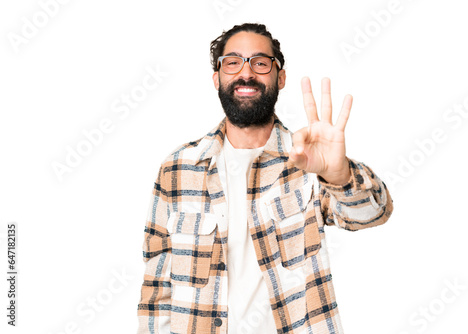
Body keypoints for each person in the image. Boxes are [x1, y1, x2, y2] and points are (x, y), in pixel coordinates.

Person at [137, 22, 393, 334]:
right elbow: (157, 283)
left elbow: (372, 214)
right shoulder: (178, 169)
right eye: (232, 62)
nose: (246, 73)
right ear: (217, 77)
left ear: (279, 76)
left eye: (260, 63)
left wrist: (337, 173)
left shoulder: (308, 162)